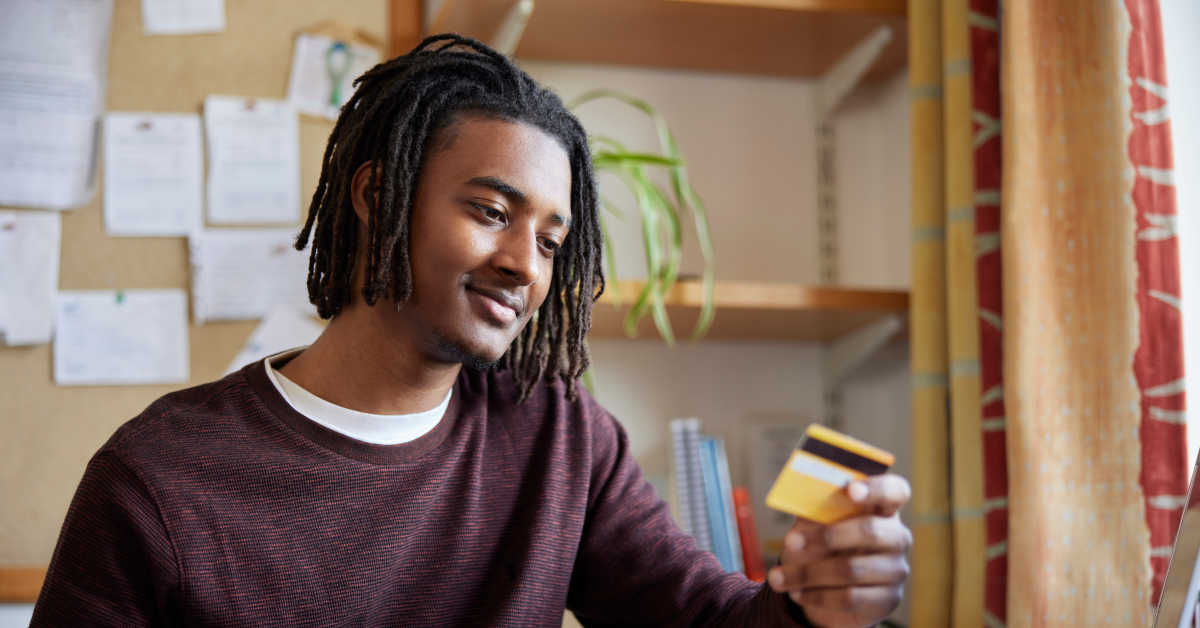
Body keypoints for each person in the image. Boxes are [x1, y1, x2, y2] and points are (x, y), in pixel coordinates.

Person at [32, 35, 911, 627]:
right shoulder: (160, 478)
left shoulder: (562, 441)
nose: (526, 266)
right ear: (379, 196)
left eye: (553, 240)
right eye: (492, 211)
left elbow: (710, 622)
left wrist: (814, 604)